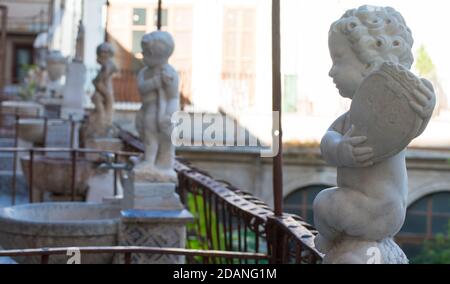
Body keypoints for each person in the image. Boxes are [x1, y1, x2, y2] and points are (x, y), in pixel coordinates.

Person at [313, 5, 435, 262]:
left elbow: (413, 126)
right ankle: (335, 240)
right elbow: (328, 140)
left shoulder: (391, 121)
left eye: (338, 60)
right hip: (378, 209)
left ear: (369, 66)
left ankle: (328, 238)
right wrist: (340, 149)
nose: (331, 71)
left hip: (378, 208)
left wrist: (426, 106)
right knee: (328, 202)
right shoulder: (349, 121)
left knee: (323, 203)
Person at [134, 31, 179, 182]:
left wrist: (170, 115)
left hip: (157, 111)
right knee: (145, 134)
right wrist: (156, 82)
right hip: (145, 109)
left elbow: (173, 97)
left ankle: (150, 161)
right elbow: (141, 88)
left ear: (157, 56)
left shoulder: (169, 73)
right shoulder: (144, 72)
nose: (142, 55)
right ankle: (149, 157)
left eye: (146, 53)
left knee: (151, 135)